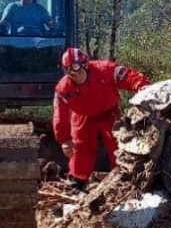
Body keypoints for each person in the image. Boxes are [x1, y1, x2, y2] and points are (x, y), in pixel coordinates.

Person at [53, 48, 151, 190]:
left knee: (118, 143)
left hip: (108, 112)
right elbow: (59, 115)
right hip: (83, 116)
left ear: (85, 65)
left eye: (77, 71)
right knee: (81, 147)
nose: (75, 76)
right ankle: (77, 181)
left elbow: (129, 76)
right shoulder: (63, 89)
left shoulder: (106, 69)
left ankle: (123, 175)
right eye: (70, 73)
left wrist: (143, 87)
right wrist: (64, 140)